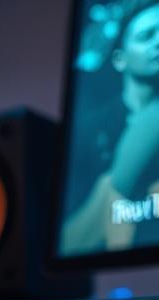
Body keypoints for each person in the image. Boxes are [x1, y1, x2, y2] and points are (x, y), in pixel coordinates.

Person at [61, 0, 159, 254]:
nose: (158, 42)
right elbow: (70, 241)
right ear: (120, 59)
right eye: (146, 36)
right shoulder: (86, 130)